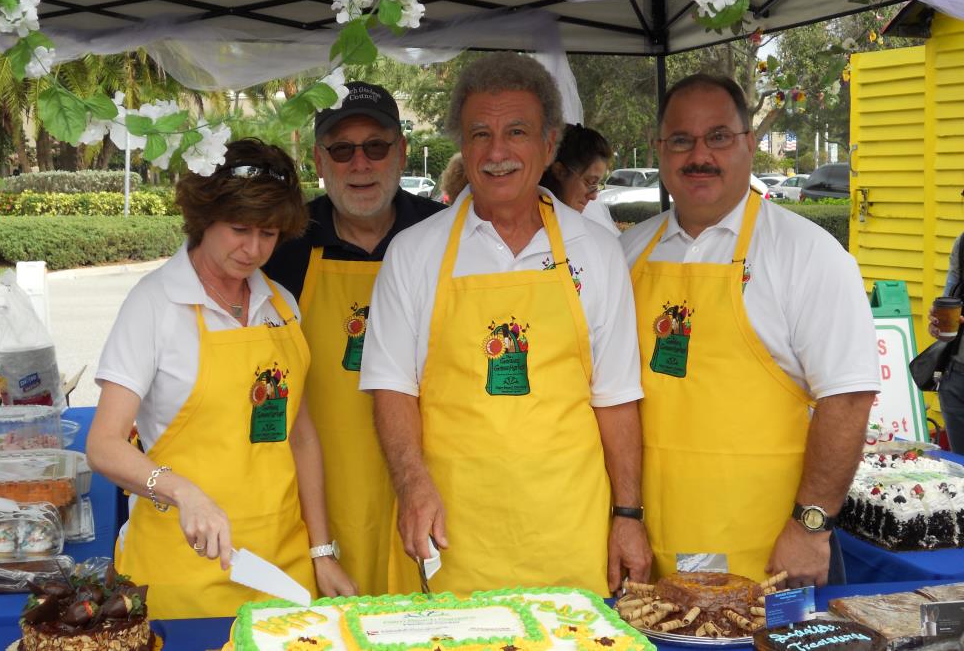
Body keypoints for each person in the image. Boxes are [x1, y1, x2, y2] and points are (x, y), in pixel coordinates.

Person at [361, 53, 650, 596]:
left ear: (548, 145)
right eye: (480, 134)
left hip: (570, 530)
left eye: (516, 132)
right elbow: (391, 387)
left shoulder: (597, 251)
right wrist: (412, 483)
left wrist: (628, 514)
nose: (496, 153)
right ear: (463, 147)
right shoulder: (414, 252)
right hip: (450, 535)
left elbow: (615, 398)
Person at [620, 74, 880, 587]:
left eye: (718, 136)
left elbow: (847, 399)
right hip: (648, 543)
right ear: (659, 149)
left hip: (768, 548)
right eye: (681, 140)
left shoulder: (807, 254)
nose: (699, 155)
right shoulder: (626, 253)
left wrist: (812, 525)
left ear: (749, 144)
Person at [87, 139, 356, 619]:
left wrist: (321, 552)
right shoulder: (154, 304)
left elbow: (302, 437)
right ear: (203, 218)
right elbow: (104, 445)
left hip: (280, 568)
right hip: (183, 573)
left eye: (270, 234)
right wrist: (183, 492)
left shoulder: (281, 305)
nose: (254, 249)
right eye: (239, 229)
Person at [263, 82, 443, 595]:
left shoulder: (441, 233)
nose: (359, 164)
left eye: (376, 146)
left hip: (430, 479)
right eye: (342, 150)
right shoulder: (284, 244)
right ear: (319, 160)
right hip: (322, 490)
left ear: (402, 151)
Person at [539, 122, 620, 235]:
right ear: (560, 172)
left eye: (597, 186)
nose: (593, 196)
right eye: (590, 182)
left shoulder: (589, 236)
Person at [927, 233, 964, 452]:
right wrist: (938, 322)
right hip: (956, 375)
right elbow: (950, 298)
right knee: (960, 473)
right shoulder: (963, 244)